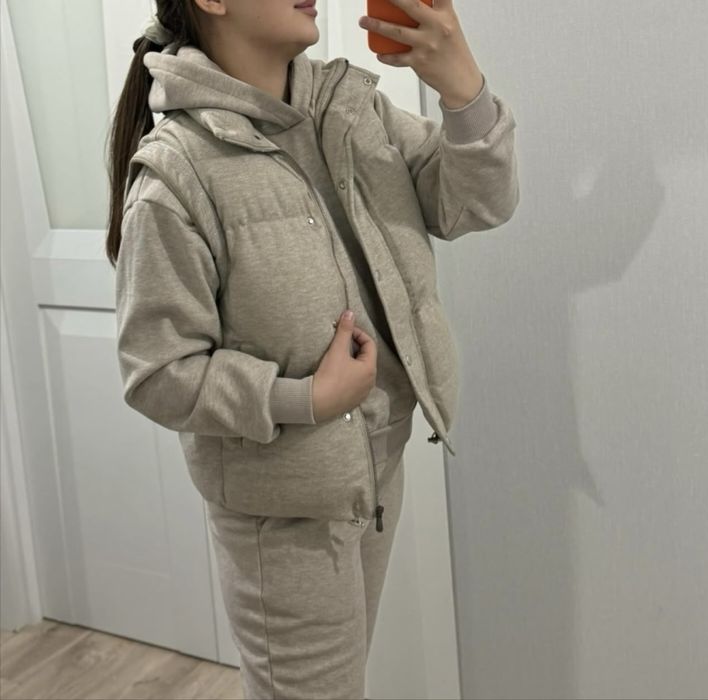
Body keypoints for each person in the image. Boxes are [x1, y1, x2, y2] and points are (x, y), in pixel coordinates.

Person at [105, 1, 519, 697]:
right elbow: (156, 372)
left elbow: (475, 203)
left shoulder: (350, 107)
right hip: (284, 519)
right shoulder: (177, 173)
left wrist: (460, 86)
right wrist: (304, 398)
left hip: (374, 470)